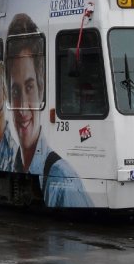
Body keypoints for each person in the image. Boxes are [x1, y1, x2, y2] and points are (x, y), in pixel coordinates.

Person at [6, 13, 92, 208]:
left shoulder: (62, 178)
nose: (23, 107)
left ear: (41, 88)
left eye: (29, 87)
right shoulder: (15, 163)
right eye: (15, 90)